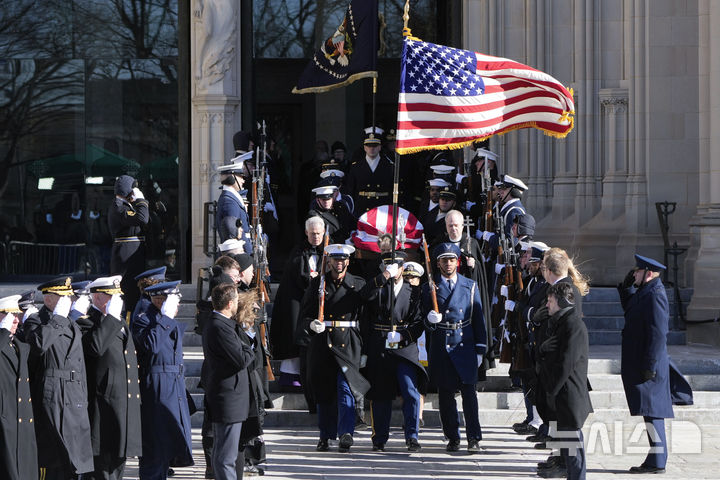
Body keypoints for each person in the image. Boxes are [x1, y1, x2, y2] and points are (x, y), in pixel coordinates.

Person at [298, 244, 370, 453]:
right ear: (328, 261)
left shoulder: (358, 284)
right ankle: (325, 435)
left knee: (346, 388)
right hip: (323, 342)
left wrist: (365, 349)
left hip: (348, 342)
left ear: (348, 261)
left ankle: (346, 433)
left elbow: (365, 318)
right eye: (335, 260)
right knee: (324, 391)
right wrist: (311, 324)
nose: (339, 263)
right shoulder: (317, 284)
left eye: (342, 260)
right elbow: (304, 313)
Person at [24, 276, 94, 479]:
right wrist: (58, 318)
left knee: (75, 463)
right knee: (54, 459)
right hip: (53, 397)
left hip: (75, 398)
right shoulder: (37, 320)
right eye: (62, 297)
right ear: (48, 300)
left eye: (68, 297)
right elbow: (38, 346)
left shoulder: (69, 323)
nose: (69, 301)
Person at [422, 243, 487, 453]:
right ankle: (452, 437)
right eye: (444, 260)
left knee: (469, 395)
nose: (448, 264)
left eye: (451, 260)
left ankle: (474, 438)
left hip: (464, 343)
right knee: (445, 396)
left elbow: (478, 318)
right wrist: (430, 320)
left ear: (457, 262)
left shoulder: (470, 285)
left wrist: (480, 348)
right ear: (438, 263)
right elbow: (422, 319)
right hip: (442, 345)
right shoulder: (430, 288)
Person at [76, 276, 142, 480]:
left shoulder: (119, 321)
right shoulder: (86, 323)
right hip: (102, 408)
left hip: (123, 407)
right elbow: (95, 347)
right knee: (102, 470)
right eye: (111, 296)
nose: (117, 301)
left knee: (117, 467)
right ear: (97, 298)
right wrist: (111, 317)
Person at [360, 251, 427, 452]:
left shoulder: (413, 291)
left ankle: (412, 436)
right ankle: (379, 437)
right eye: (388, 267)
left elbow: (418, 321)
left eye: (396, 267)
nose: (393, 270)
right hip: (380, 344)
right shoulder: (378, 287)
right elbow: (363, 297)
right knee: (380, 393)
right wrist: (384, 278)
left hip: (404, 347)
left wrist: (404, 335)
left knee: (410, 391)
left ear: (402, 268)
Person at [131, 280, 194, 479]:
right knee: (154, 451)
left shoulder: (163, 320)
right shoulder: (145, 319)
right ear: (160, 300)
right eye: (172, 299)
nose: (177, 305)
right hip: (156, 388)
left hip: (173, 387)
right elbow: (151, 346)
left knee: (167, 448)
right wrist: (166, 317)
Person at [618, 254, 674, 475]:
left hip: (650, 364)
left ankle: (658, 460)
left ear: (648, 273)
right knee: (650, 411)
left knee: (653, 411)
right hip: (644, 362)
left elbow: (659, 333)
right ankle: (656, 458)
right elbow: (631, 309)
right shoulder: (646, 291)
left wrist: (650, 365)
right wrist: (626, 288)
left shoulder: (655, 295)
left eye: (638, 272)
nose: (634, 274)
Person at [536, 282, 592, 480]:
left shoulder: (573, 324)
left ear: (560, 302)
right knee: (569, 450)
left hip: (569, 396)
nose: (547, 305)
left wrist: (551, 390)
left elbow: (566, 363)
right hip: (562, 395)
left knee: (573, 450)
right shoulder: (561, 322)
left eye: (550, 301)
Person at [203, 284, 256, 480]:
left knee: (223, 453)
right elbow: (241, 359)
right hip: (228, 399)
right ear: (230, 303)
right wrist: (249, 343)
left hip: (228, 397)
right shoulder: (219, 326)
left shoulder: (223, 323)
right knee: (226, 456)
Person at [271, 216, 326, 390]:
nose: (315, 237)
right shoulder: (298, 251)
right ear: (306, 233)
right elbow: (295, 272)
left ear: (324, 232)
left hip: (319, 302)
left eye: (318, 234)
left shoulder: (330, 250)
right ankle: (292, 376)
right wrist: (309, 277)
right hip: (298, 299)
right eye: (312, 234)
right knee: (293, 332)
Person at [0, 295, 38, 480]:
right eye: (9, 315)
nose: (16, 320)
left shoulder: (17, 344)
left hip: (22, 424)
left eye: (17, 315)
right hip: (5, 425)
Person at [109, 174, 150, 315]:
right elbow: (142, 218)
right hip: (126, 256)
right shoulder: (119, 207)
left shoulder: (125, 205)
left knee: (134, 293)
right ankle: (128, 325)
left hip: (131, 254)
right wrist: (141, 200)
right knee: (129, 294)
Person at [345, 127, 395, 215]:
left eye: (375, 146)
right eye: (369, 145)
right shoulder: (356, 166)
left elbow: (392, 189)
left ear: (380, 147)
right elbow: (351, 190)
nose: (372, 149)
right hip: (362, 208)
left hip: (383, 208)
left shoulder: (389, 166)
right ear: (364, 147)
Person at [216, 154, 253, 253]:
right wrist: (249, 254)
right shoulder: (229, 202)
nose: (243, 180)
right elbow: (234, 234)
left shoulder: (231, 198)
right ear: (233, 178)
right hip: (238, 254)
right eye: (240, 176)